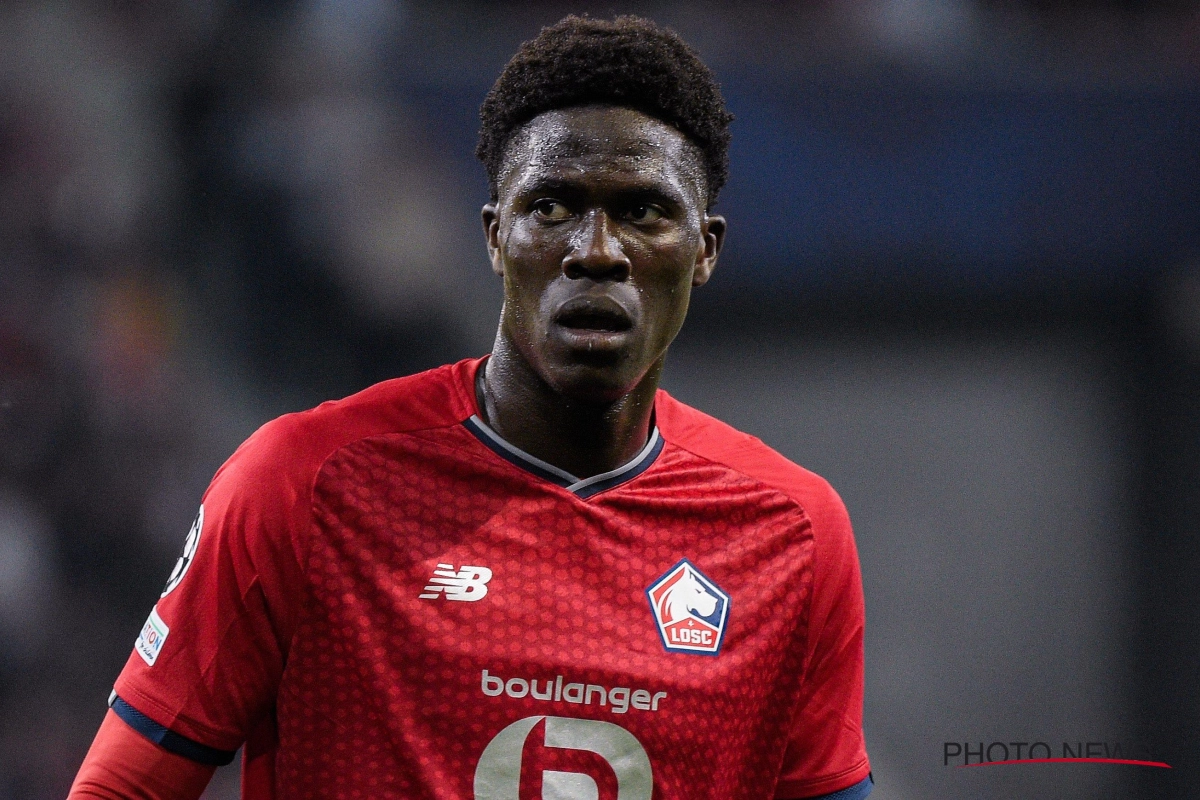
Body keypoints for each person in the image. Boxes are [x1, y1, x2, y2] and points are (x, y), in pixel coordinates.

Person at [69, 15, 872, 800]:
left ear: (705, 250)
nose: (595, 251)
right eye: (552, 208)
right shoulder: (301, 485)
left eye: (645, 212)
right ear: (495, 237)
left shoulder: (793, 533)